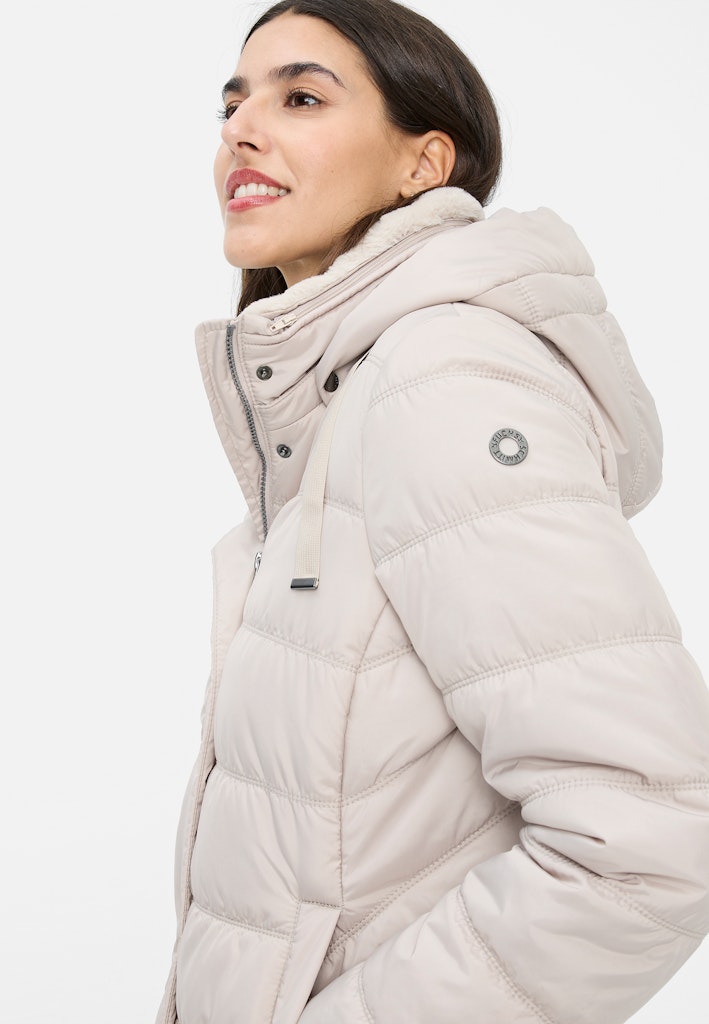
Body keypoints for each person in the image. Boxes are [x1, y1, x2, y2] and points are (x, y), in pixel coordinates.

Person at [156, 1, 709, 1021]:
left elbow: (648, 838)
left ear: (424, 164)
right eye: (231, 104)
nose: (241, 129)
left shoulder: (441, 375)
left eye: (301, 98)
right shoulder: (348, 399)